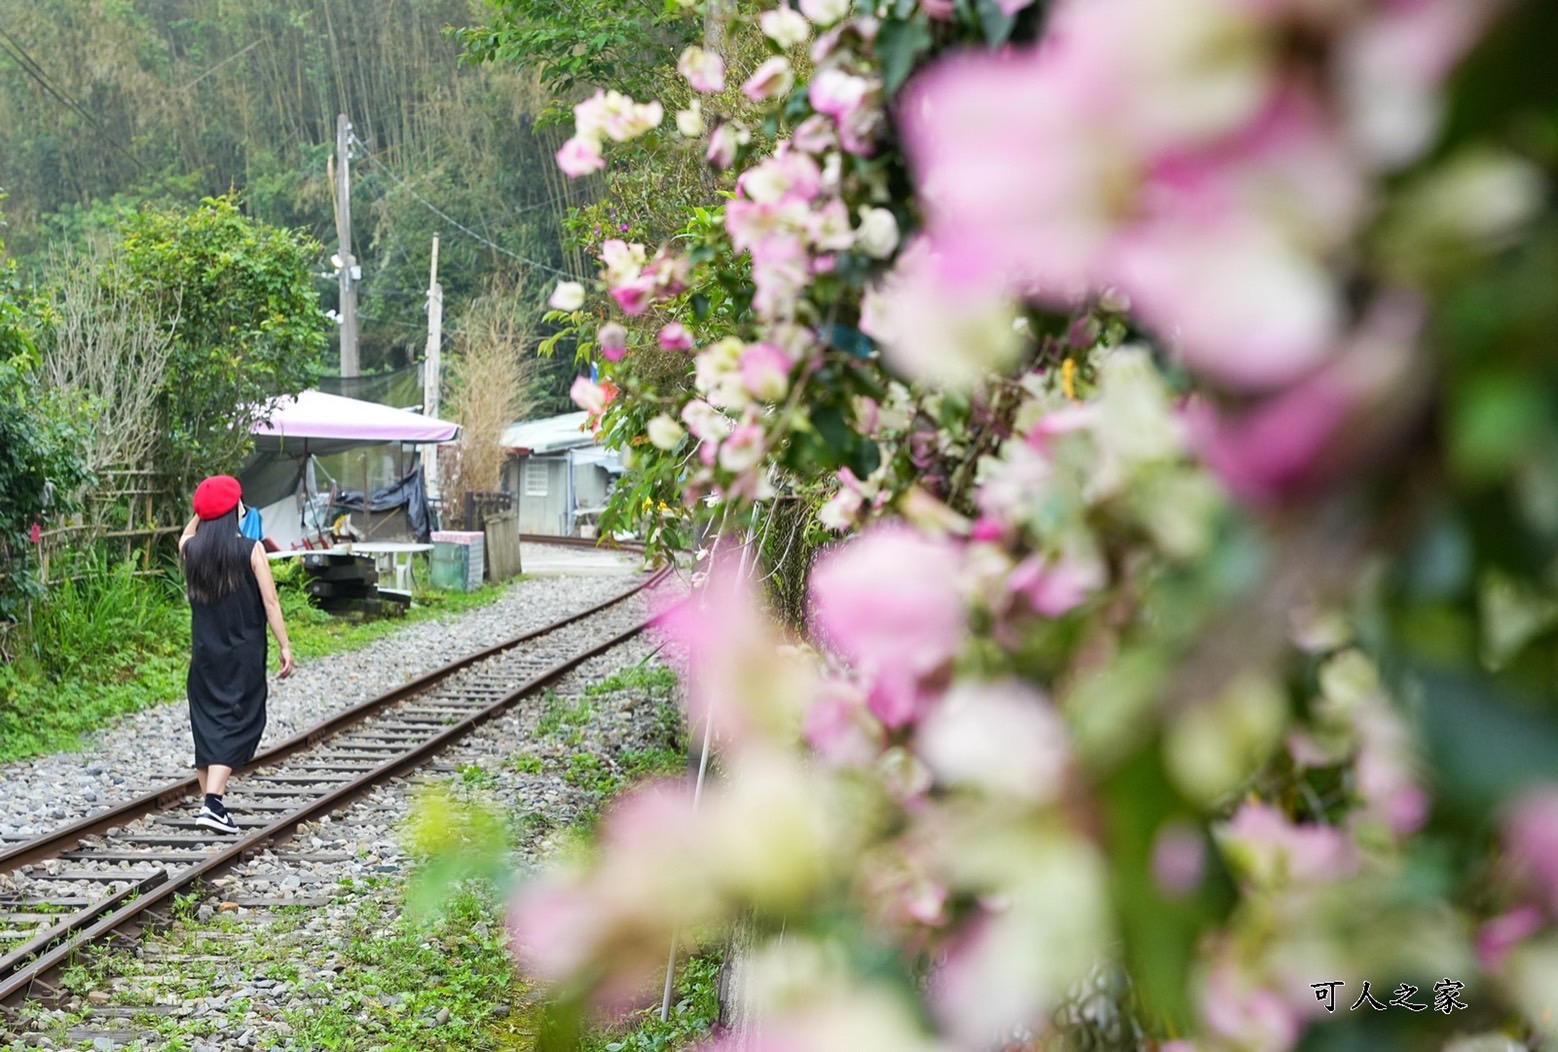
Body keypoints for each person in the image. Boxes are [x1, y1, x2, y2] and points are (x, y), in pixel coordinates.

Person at [178, 475, 294, 834]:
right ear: (234, 510)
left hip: (204, 656)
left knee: (209, 724)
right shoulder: (251, 549)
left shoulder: (191, 550)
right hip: (243, 654)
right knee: (240, 722)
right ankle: (213, 803)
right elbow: (270, 602)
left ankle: (212, 806)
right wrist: (285, 644)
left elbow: (185, 535)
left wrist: (204, 511)